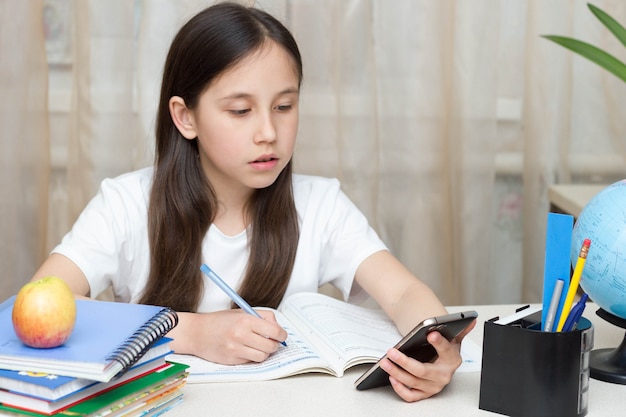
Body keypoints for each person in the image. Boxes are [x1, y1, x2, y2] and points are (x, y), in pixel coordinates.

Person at [30, 1, 475, 403]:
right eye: (241, 111)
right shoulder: (126, 204)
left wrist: (436, 351)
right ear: (186, 117)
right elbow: (39, 303)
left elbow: (403, 293)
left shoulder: (320, 204)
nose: (268, 132)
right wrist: (193, 332)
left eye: (284, 106)